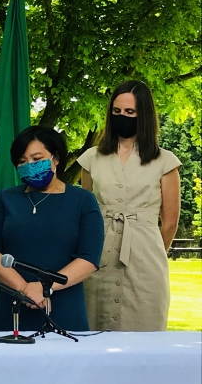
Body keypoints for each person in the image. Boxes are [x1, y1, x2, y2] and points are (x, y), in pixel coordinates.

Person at [78, 80, 182, 331]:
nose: (122, 117)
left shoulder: (165, 161)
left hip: (145, 257)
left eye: (130, 112)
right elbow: (86, 212)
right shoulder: (91, 158)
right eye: (117, 112)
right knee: (93, 329)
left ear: (143, 115)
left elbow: (169, 223)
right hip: (98, 254)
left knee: (144, 331)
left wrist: (148, 250)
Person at [0, 126, 104, 332]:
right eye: (22, 162)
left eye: (37, 159)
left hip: (64, 307)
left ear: (56, 158)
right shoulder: (4, 199)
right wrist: (24, 289)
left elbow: (89, 258)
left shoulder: (82, 200)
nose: (29, 166)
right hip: (13, 307)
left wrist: (46, 288)